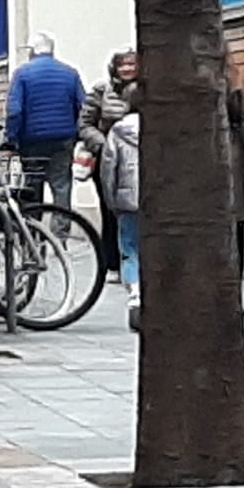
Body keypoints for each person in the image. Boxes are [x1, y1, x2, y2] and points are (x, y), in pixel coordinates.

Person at [3, 32, 86, 209]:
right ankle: (60, 233)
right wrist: (76, 133)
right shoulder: (70, 73)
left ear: (32, 51)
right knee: (61, 186)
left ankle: (34, 230)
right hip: (63, 140)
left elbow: (14, 111)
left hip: (32, 142)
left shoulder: (22, 74)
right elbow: (82, 106)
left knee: (32, 186)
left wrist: (11, 138)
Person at [81, 48, 139, 274]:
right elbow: (85, 124)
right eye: (121, 64)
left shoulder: (148, 90)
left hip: (137, 160)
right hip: (109, 160)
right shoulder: (101, 90)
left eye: (131, 64)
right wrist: (103, 145)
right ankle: (112, 261)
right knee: (110, 210)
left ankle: (135, 262)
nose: (126, 69)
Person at [98, 90, 143, 332]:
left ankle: (134, 293)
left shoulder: (118, 131)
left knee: (129, 250)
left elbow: (108, 169)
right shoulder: (165, 129)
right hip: (157, 202)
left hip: (127, 200)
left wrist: (111, 200)